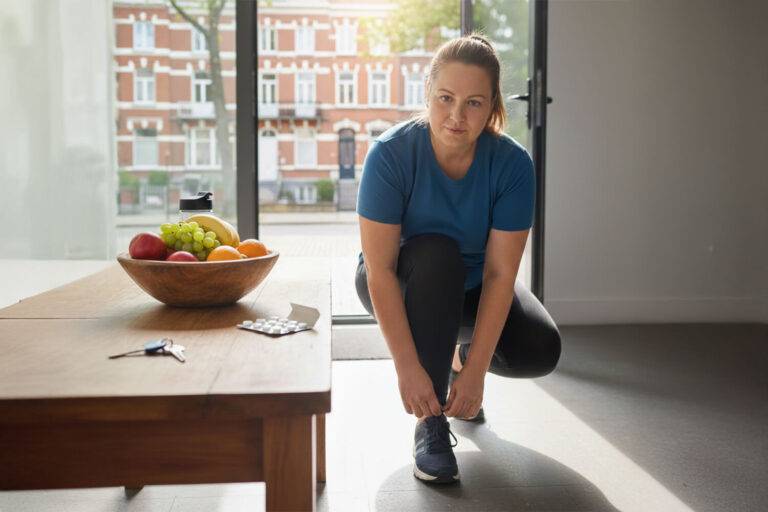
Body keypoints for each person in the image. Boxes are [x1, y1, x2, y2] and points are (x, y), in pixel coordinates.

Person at [354, 34, 562, 484]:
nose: (456, 115)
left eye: (473, 103)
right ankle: (430, 426)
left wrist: (476, 371)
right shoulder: (390, 155)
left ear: (492, 108)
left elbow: (501, 272)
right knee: (437, 254)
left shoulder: (512, 165)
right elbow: (381, 270)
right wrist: (407, 369)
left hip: (471, 288)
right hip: (402, 280)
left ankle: (456, 358)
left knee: (539, 349)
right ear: (427, 94)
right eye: (445, 98)